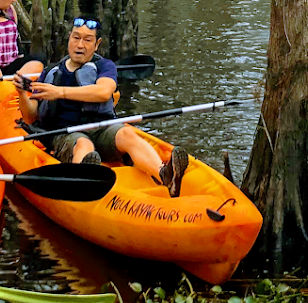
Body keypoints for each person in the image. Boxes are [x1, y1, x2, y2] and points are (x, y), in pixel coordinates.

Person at [15, 18, 189, 197]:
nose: (80, 45)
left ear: (97, 44)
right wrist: (22, 93)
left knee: (127, 133)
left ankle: (165, 175)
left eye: (87, 40)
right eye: (76, 38)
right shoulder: (51, 72)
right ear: (69, 39)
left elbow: (104, 92)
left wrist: (59, 92)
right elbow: (31, 117)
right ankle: (86, 178)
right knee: (84, 143)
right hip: (67, 133)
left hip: (102, 127)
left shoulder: (104, 66)